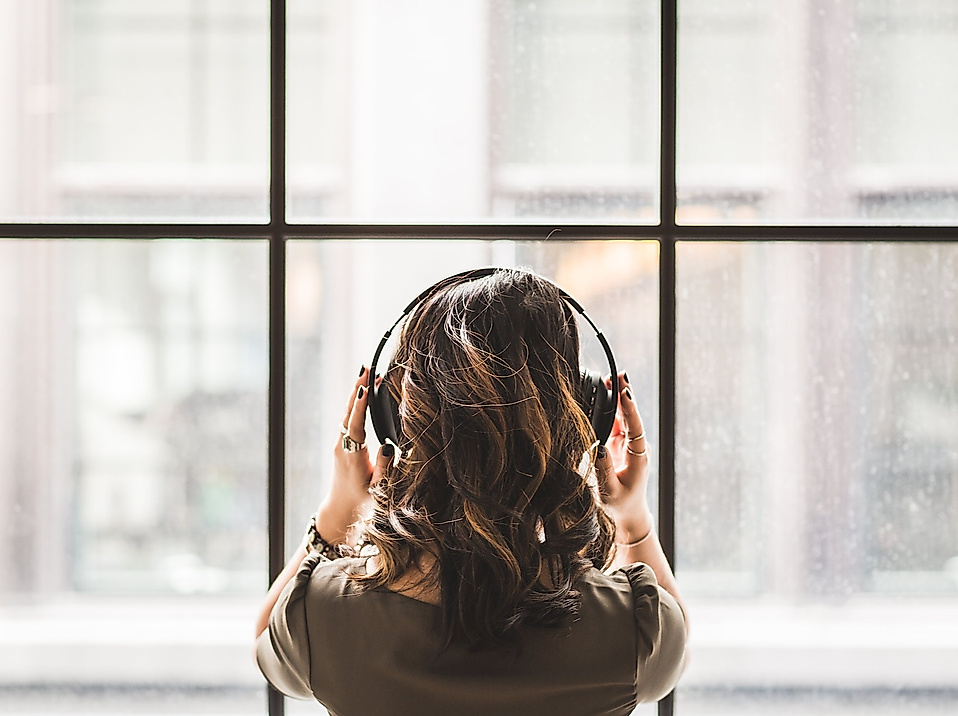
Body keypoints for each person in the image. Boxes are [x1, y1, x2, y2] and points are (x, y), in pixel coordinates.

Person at [254, 268, 687, 715]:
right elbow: (675, 652)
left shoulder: (322, 617)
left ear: (394, 420)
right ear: (584, 414)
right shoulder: (631, 627)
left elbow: (267, 645)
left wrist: (339, 509)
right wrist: (633, 518)